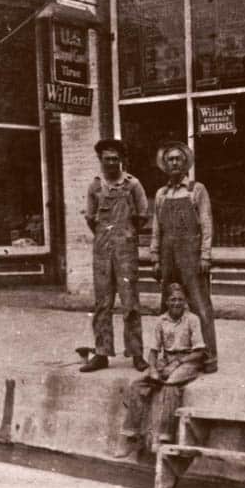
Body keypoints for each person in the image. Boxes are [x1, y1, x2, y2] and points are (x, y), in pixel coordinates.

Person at [80, 139, 149, 373]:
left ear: (121, 160)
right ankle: (101, 354)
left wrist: (125, 235)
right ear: (100, 160)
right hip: (102, 252)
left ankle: (136, 353)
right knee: (102, 304)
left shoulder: (133, 185)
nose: (111, 162)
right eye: (106, 158)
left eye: (115, 158)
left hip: (126, 251)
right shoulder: (95, 187)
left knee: (130, 304)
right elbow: (91, 219)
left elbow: (142, 216)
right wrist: (105, 239)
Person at [149, 141, 219, 373]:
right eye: (170, 159)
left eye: (179, 158)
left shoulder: (196, 190)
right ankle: (165, 355)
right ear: (165, 165)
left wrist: (205, 256)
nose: (175, 163)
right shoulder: (161, 194)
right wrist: (155, 257)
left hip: (191, 254)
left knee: (200, 304)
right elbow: (157, 229)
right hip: (168, 255)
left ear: (186, 162)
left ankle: (208, 357)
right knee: (167, 304)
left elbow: (207, 224)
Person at [117, 283, 205, 458]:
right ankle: (131, 436)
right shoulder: (161, 320)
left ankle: (164, 439)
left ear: (185, 301)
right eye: (173, 299)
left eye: (180, 300)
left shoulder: (192, 319)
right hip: (166, 360)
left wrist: (178, 362)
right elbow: (154, 351)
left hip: (188, 360)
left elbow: (199, 351)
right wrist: (152, 368)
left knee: (170, 386)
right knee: (139, 385)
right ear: (166, 302)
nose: (176, 303)